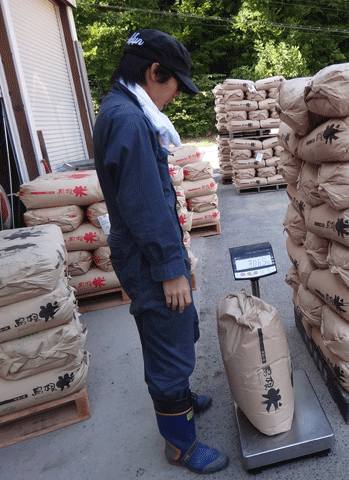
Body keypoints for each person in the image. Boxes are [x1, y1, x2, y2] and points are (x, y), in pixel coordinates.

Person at [93, 29, 229, 475]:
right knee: (168, 344)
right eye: (174, 85)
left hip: (151, 252)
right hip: (149, 259)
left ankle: (182, 401)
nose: (174, 97)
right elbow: (144, 204)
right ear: (154, 72)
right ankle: (180, 445)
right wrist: (171, 268)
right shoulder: (129, 120)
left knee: (181, 326)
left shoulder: (123, 109)